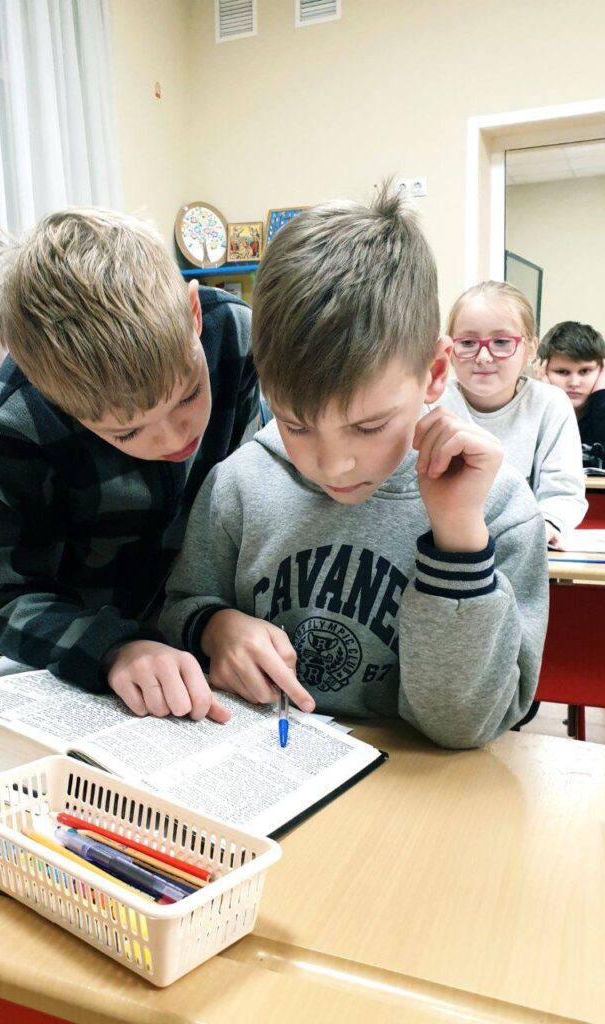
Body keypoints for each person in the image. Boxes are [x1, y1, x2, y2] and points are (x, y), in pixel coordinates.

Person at [159, 187, 548, 750]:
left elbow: (463, 726)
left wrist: (459, 541)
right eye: (296, 424)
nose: (332, 463)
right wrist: (214, 628)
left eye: (368, 426)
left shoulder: (498, 509)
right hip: (263, 765)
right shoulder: (238, 485)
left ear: (435, 372)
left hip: (421, 786)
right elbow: (180, 609)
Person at [0, 208, 260, 723]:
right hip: (92, 662)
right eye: (127, 433)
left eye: (188, 395)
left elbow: (251, 502)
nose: (176, 438)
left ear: (193, 312)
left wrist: (215, 619)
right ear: (57, 400)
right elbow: (6, 597)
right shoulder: (14, 423)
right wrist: (114, 648)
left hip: (216, 637)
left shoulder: (235, 333)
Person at [440, 281, 586, 548]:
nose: (483, 357)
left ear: (530, 349)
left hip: (520, 547)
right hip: (443, 543)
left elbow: (563, 492)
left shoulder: (551, 404)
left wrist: (548, 524)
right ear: (450, 349)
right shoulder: (431, 402)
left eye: (501, 342)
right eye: (468, 342)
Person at [537, 320, 605, 452]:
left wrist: (601, 398)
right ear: (543, 370)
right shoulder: (527, 411)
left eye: (585, 371)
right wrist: (546, 399)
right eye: (562, 372)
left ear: (602, 371)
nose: (574, 383)